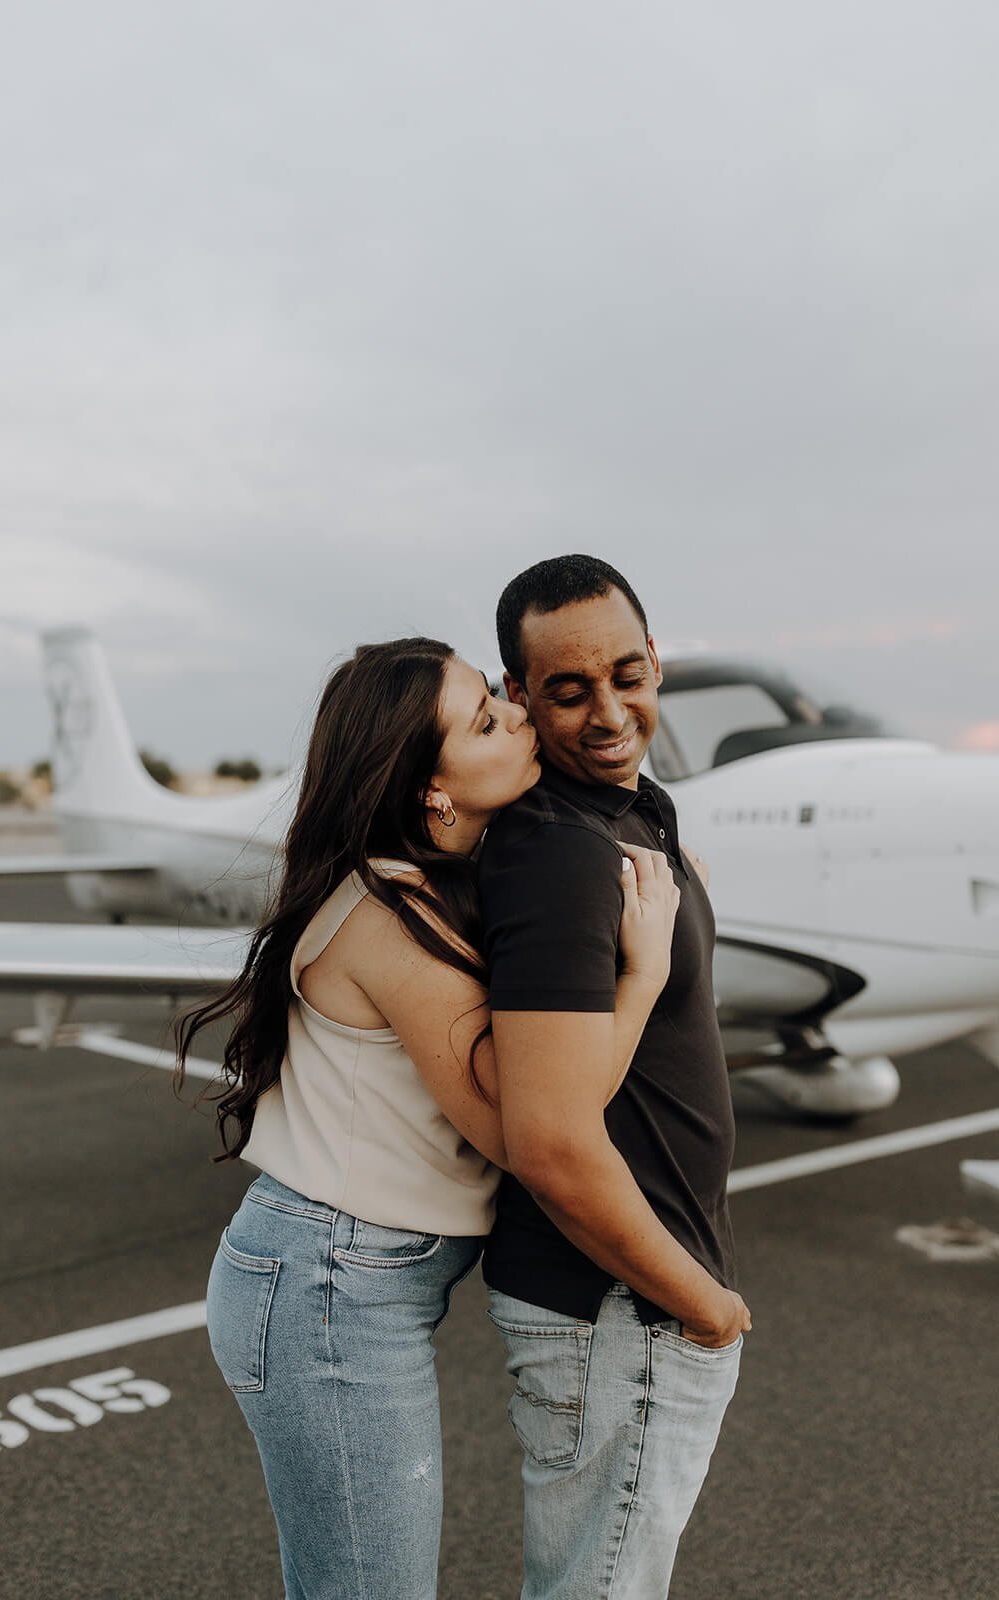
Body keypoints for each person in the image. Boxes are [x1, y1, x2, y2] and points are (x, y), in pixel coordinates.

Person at [175, 635, 681, 1600]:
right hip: (329, 1288)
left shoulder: (424, 887)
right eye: (488, 721)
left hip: (341, 1279)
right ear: (429, 793)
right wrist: (643, 973)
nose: (523, 717)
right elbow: (525, 1130)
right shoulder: (390, 911)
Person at [478, 555, 751, 1600]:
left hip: (636, 1304)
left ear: (657, 663)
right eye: (566, 688)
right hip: (620, 1309)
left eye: (625, 674)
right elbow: (546, 1138)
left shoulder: (635, 812)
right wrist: (702, 1306)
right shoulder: (558, 851)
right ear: (518, 697)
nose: (605, 711)